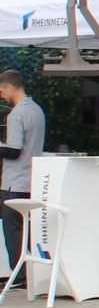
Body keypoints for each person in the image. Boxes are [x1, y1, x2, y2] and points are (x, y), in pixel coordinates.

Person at [0, 69, 46, 288]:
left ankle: (19, 276)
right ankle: (31, 273)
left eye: (1, 91)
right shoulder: (37, 111)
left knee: (12, 229)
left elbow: (14, 150)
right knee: (27, 228)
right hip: (32, 179)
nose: (1, 96)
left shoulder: (16, 115)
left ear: (10, 87)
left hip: (14, 181)